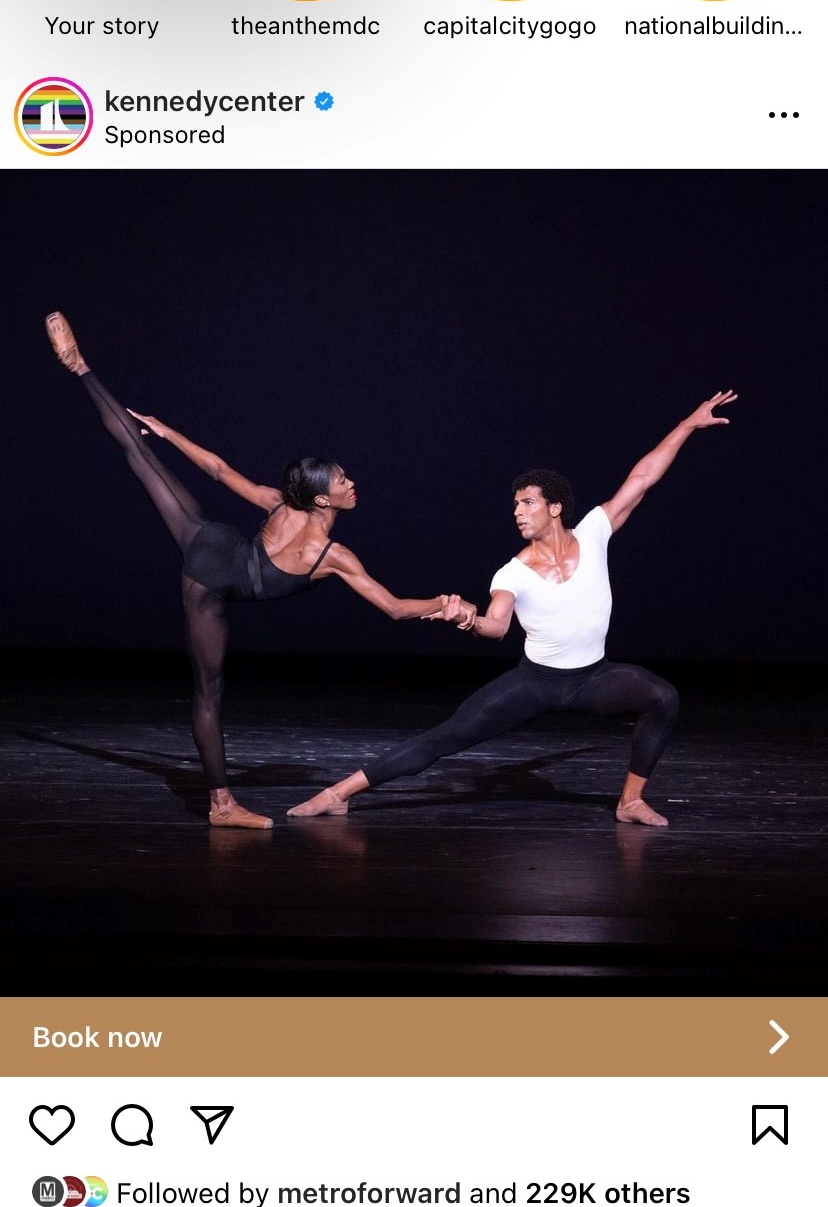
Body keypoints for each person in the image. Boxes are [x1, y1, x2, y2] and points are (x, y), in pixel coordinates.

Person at [44, 313, 475, 830]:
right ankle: (221, 806)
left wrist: (167, 432)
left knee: (139, 453)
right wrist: (446, 606)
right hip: (210, 582)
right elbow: (395, 609)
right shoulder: (332, 555)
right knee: (209, 693)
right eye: (342, 481)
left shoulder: (281, 504)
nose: (351, 483)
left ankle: (81, 368)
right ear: (323, 499)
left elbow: (217, 470)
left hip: (210, 540)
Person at [287, 391, 737, 827]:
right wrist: (466, 619)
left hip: (593, 679)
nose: (518, 512)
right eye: (515, 505)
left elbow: (643, 477)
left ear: (555, 508)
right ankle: (337, 794)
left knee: (663, 698)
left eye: (528, 503)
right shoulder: (512, 573)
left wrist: (688, 424)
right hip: (535, 683)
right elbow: (496, 627)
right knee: (444, 738)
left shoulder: (594, 532)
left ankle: (630, 801)